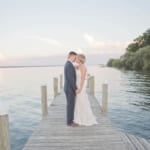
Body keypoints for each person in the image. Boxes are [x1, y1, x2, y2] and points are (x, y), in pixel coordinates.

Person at [74, 54, 98, 126]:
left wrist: (80, 89)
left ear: (80, 59)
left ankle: (83, 118)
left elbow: (83, 79)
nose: (76, 59)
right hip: (77, 83)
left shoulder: (83, 67)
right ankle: (78, 117)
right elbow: (74, 67)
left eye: (77, 58)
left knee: (81, 100)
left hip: (81, 85)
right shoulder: (78, 66)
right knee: (78, 101)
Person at [64, 51, 78, 127]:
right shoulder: (69, 65)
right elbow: (71, 79)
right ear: (71, 56)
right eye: (75, 57)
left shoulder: (68, 64)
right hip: (69, 89)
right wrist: (75, 88)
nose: (75, 59)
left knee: (70, 105)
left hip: (68, 88)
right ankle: (70, 122)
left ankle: (70, 120)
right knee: (70, 105)